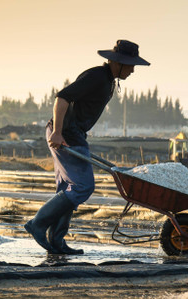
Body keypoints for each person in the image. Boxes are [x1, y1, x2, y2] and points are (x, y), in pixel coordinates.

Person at [25, 40, 150, 254]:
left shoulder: (107, 80)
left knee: (68, 189)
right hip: (66, 135)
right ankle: (38, 223)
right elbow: (62, 98)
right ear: (116, 62)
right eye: (130, 65)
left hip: (72, 133)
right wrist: (57, 131)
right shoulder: (96, 77)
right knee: (83, 186)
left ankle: (56, 241)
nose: (132, 70)